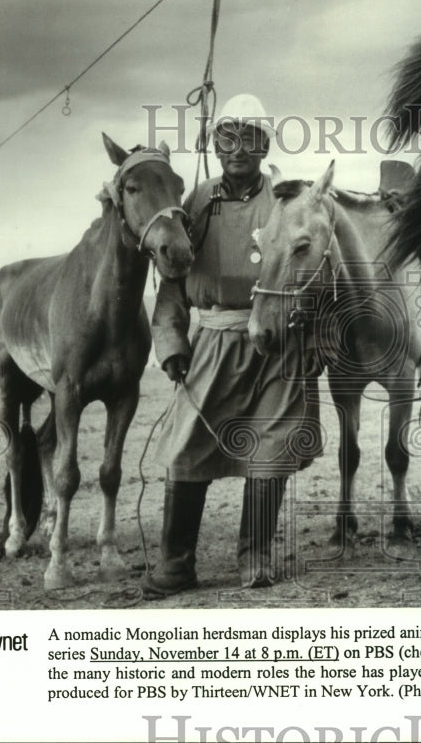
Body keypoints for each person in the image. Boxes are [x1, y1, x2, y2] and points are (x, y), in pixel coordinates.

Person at [146, 94, 319, 596]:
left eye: (249, 138)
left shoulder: (287, 200)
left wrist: (308, 334)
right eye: (227, 138)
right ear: (214, 145)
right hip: (214, 340)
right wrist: (171, 340)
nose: (237, 148)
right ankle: (176, 564)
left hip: (278, 343)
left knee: (270, 447)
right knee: (187, 445)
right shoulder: (196, 203)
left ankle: (256, 557)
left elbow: (308, 268)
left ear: (264, 145)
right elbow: (173, 279)